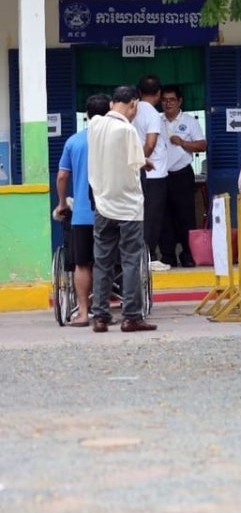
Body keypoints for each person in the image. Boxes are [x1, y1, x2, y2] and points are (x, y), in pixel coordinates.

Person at [87, 86, 156, 333]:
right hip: (128, 207)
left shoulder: (95, 125)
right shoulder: (127, 130)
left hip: (103, 204)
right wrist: (146, 163)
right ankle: (131, 316)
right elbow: (137, 161)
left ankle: (101, 316)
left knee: (102, 262)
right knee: (129, 261)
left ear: (111, 104)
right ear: (133, 104)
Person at [55, 93, 110, 327]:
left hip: (82, 215)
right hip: (109, 211)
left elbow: (62, 176)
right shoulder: (114, 141)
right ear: (109, 112)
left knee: (81, 263)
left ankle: (83, 313)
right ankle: (102, 311)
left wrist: (61, 203)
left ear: (86, 115)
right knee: (103, 262)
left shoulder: (74, 142)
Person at [158, 85, 206, 269]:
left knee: (186, 216)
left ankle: (188, 255)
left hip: (182, 174)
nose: (168, 103)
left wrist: (183, 142)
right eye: (164, 100)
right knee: (164, 217)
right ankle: (168, 256)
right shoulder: (157, 120)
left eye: (171, 100)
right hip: (161, 175)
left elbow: (202, 145)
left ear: (180, 101)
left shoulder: (189, 121)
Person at [132, 75, 170, 271]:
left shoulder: (132, 109)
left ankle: (142, 254)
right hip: (153, 173)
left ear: (139, 92)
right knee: (153, 217)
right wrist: (141, 161)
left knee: (141, 214)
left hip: (137, 173)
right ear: (158, 93)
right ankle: (149, 255)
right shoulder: (153, 114)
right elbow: (151, 143)